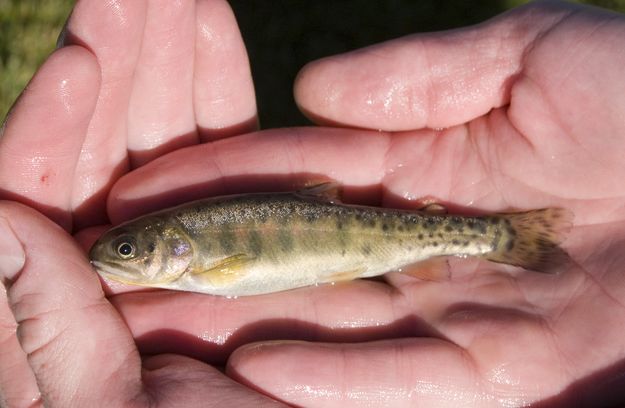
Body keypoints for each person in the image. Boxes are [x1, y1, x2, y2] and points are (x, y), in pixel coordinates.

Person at [1, 0, 624, 406]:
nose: (120, 256)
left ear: (174, 248)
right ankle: (503, 237)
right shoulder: (193, 249)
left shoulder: (200, 259)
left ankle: (502, 237)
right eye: (126, 250)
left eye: (131, 249)